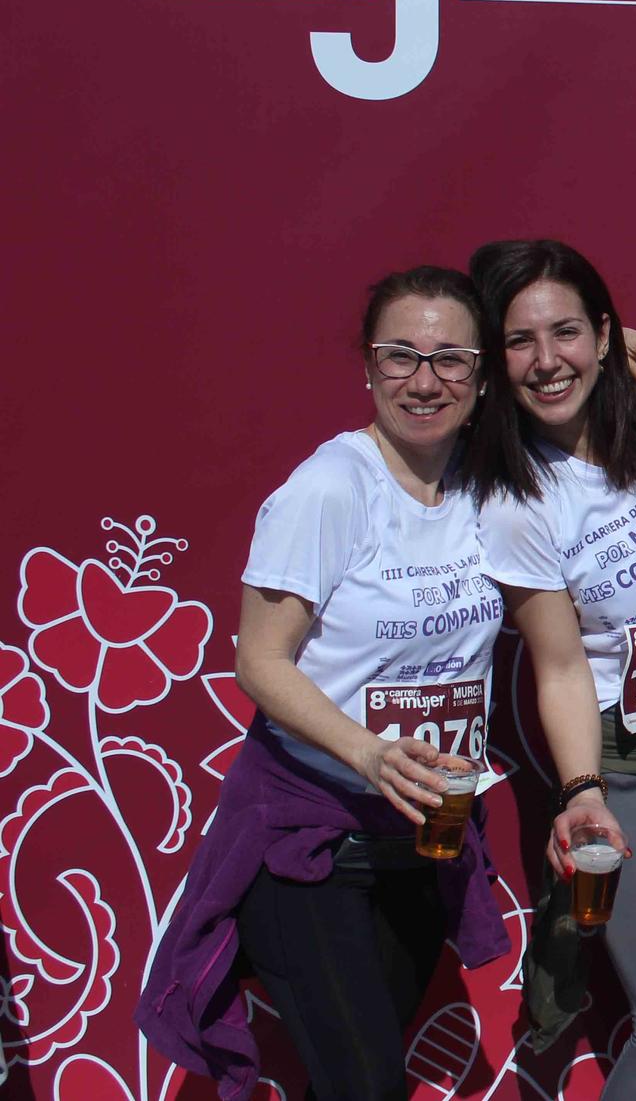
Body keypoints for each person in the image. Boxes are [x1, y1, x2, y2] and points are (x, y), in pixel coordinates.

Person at [138, 266, 508, 1101]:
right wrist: (367, 753)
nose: (424, 380)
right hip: (310, 835)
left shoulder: (490, 478)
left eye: (450, 358)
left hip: (425, 832)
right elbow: (259, 661)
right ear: (367, 369)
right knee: (367, 1084)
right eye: (399, 356)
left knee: (354, 1080)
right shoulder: (330, 487)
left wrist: (631, 345)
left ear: (482, 377)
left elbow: (571, 369)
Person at [466, 239, 636, 1101]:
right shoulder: (515, 500)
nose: (547, 362)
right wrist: (581, 787)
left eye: (568, 333)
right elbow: (559, 666)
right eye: (519, 341)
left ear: (607, 333)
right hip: (633, 750)